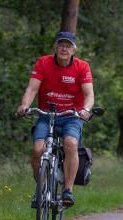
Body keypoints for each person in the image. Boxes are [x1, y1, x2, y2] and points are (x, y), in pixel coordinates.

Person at [17, 32, 94, 207]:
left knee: (71, 144)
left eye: (68, 46)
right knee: (38, 150)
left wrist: (86, 110)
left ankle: (68, 190)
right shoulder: (43, 63)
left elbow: (89, 94)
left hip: (71, 116)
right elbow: (31, 89)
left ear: (74, 50)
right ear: (55, 47)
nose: (64, 49)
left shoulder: (82, 67)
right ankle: (41, 189)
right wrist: (24, 105)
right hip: (46, 115)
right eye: (61, 45)